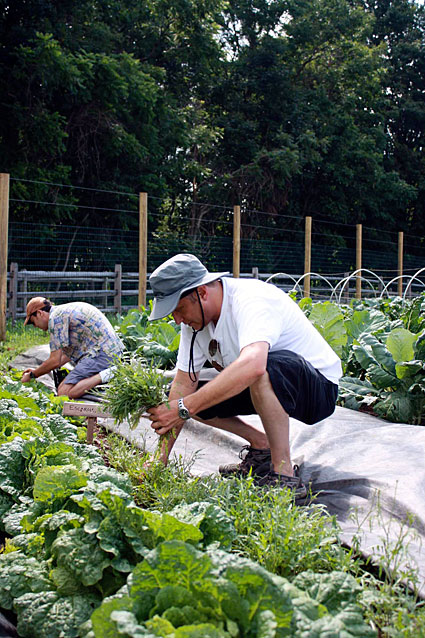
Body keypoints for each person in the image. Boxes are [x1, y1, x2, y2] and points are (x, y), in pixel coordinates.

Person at [147, 253, 342, 496]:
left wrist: (184, 407)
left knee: (259, 369)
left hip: (317, 389)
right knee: (176, 398)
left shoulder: (250, 300)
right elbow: (183, 384)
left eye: (178, 308)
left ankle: (284, 475)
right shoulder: (195, 324)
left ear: (202, 293)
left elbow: (254, 365)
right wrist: (159, 460)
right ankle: (263, 446)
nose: (177, 320)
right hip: (265, 385)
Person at [21, 297, 123, 398]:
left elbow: (54, 361)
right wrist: (38, 370)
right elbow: (64, 357)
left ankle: (109, 373)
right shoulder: (63, 313)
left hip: (101, 353)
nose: (34, 326)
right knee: (72, 386)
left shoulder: (55, 319)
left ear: (39, 313)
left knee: (64, 392)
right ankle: (107, 374)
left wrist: (32, 375)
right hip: (111, 351)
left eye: (32, 322)